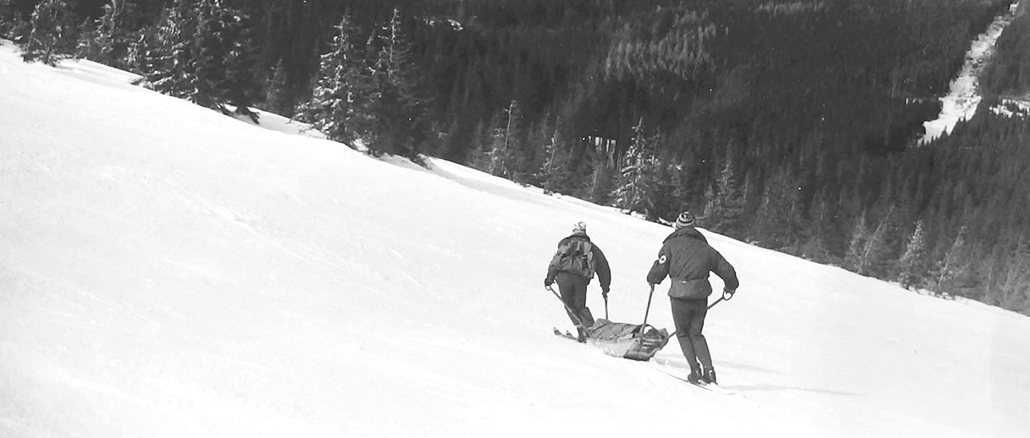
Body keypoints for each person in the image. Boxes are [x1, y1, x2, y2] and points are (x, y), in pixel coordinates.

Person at [646, 211, 738, 385]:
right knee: (696, 333)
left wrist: (652, 279)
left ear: (677, 227)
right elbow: (727, 270)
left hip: (679, 295)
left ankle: (695, 371)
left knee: (682, 333)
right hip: (700, 296)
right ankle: (709, 372)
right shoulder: (706, 249)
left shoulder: (670, 246)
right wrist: (731, 286)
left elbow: (660, 267)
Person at [545, 221, 612, 342]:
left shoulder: (566, 244)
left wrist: (549, 278)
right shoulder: (591, 247)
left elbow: (556, 261)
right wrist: (605, 287)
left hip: (563, 277)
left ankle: (581, 331)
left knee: (569, 305)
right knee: (580, 306)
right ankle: (592, 332)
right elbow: (603, 267)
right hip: (581, 279)